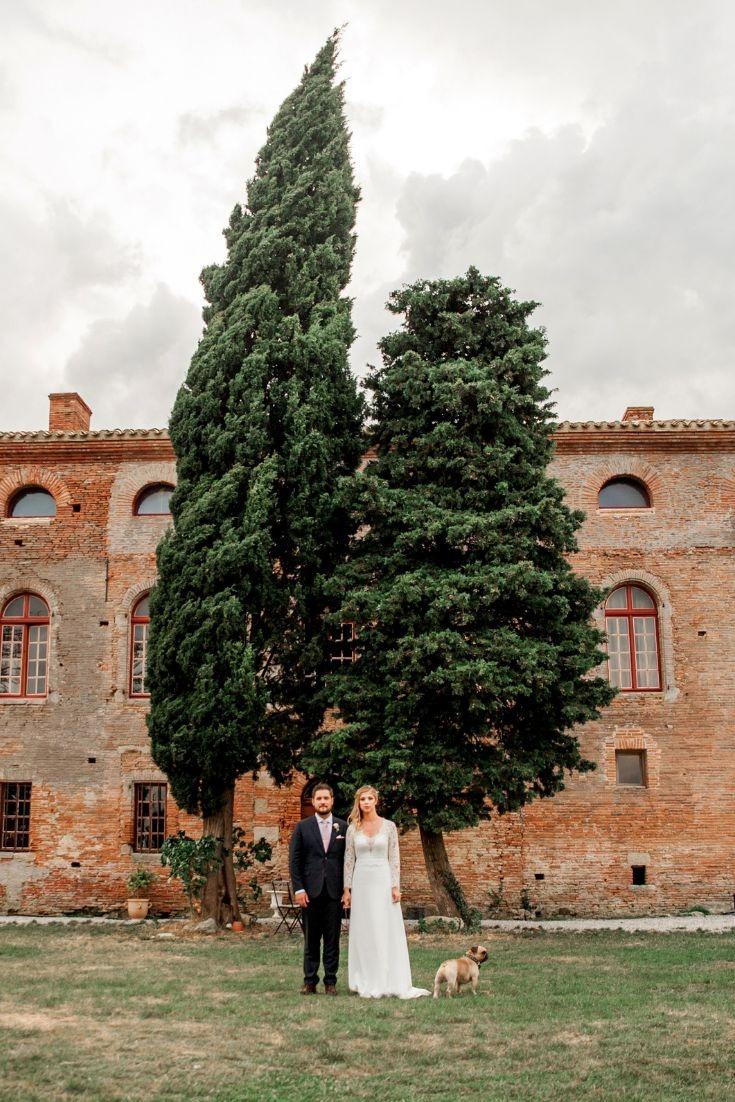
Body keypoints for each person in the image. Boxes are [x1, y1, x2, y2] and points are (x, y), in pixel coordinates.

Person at [342, 785, 429, 999]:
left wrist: (395, 886)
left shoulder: (389, 827)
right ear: (358, 802)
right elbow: (349, 859)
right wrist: (347, 889)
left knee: (384, 927)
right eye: (362, 799)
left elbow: (395, 858)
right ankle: (365, 977)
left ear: (376, 801)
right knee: (364, 929)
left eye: (370, 798)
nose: (366, 802)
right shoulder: (353, 828)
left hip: (382, 879)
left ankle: (388, 977)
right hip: (361, 880)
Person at [289, 782, 348, 995]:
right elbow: (294, 861)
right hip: (310, 894)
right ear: (313, 802)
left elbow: (348, 861)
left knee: (333, 940)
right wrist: (299, 889)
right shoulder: (302, 827)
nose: (323, 802)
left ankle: (330, 981)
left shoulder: (343, 827)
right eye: (319, 798)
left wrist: (347, 890)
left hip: (334, 893)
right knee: (311, 940)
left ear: (332, 801)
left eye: (326, 798)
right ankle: (309, 981)